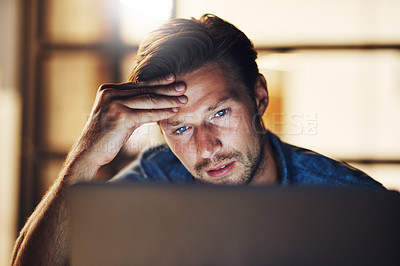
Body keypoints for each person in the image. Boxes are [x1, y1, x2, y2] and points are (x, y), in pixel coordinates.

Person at [11, 14, 383, 265]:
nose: (206, 148)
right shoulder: (155, 181)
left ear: (259, 97)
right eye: (181, 128)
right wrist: (84, 158)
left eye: (219, 114)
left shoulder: (355, 205)